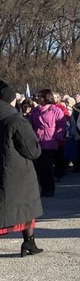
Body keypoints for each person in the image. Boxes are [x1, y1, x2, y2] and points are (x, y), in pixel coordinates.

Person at [0, 80, 44, 256]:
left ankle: (30, 243)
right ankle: (28, 242)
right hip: (15, 172)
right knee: (24, 206)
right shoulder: (15, 119)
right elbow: (32, 151)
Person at [28, 89, 69, 197]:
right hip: (37, 139)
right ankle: (41, 188)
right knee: (38, 166)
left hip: (49, 140)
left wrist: (57, 136)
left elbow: (62, 125)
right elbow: (30, 123)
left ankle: (49, 188)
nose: (38, 98)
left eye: (40, 96)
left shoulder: (55, 110)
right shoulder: (35, 110)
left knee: (46, 166)